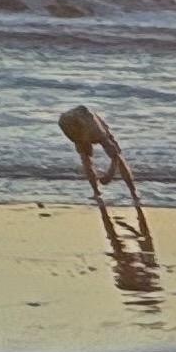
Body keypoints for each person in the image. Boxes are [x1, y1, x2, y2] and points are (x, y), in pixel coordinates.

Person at [59, 104, 155, 268]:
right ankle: (96, 192)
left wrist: (109, 174)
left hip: (87, 120)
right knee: (85, 159)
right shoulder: (68, 127)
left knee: (115, 152)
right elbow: (84, 152)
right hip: (71, 122)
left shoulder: (95, 129)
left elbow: (115, 157)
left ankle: (133, 191)